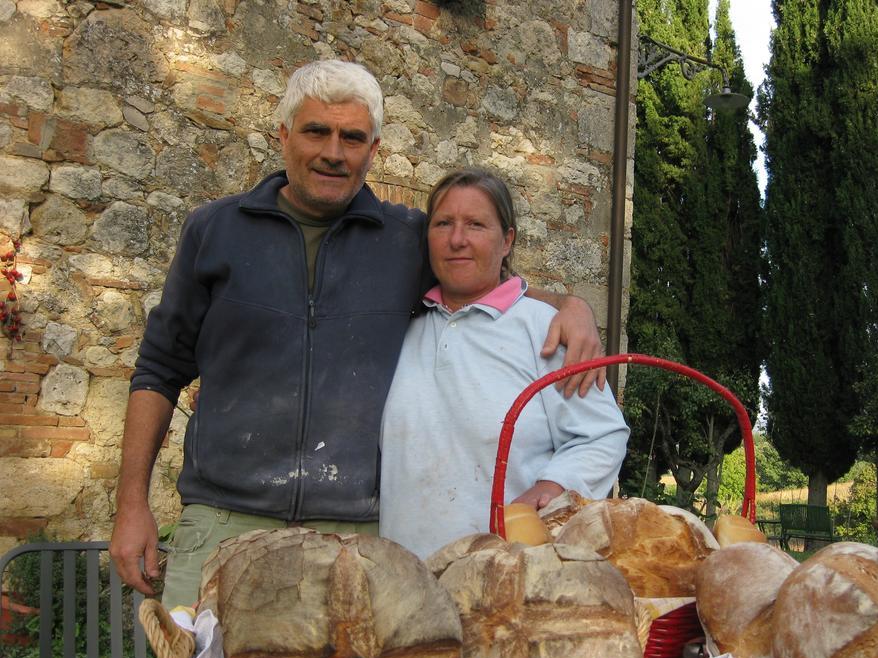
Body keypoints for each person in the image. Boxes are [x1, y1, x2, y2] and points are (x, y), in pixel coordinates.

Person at [110, 60, 606, 610]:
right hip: (223, 524)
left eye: (353, 138)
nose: (333, 152)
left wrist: (569, 306)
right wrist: (132, 502)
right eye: (316, 131)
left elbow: (477, 278)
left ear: (373, 151)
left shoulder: (405, 239)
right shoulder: (215, 231)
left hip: (353, 540)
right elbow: (158, 368)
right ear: (284, 136)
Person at [379, 168, 629, 559]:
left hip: (507, 574)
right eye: (444, 223)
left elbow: (601, 433)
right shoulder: (400, 327)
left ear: (507, 239)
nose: (457, 239)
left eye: (476, 225)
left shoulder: (545, 328)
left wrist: (555, 484)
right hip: (405, 571)